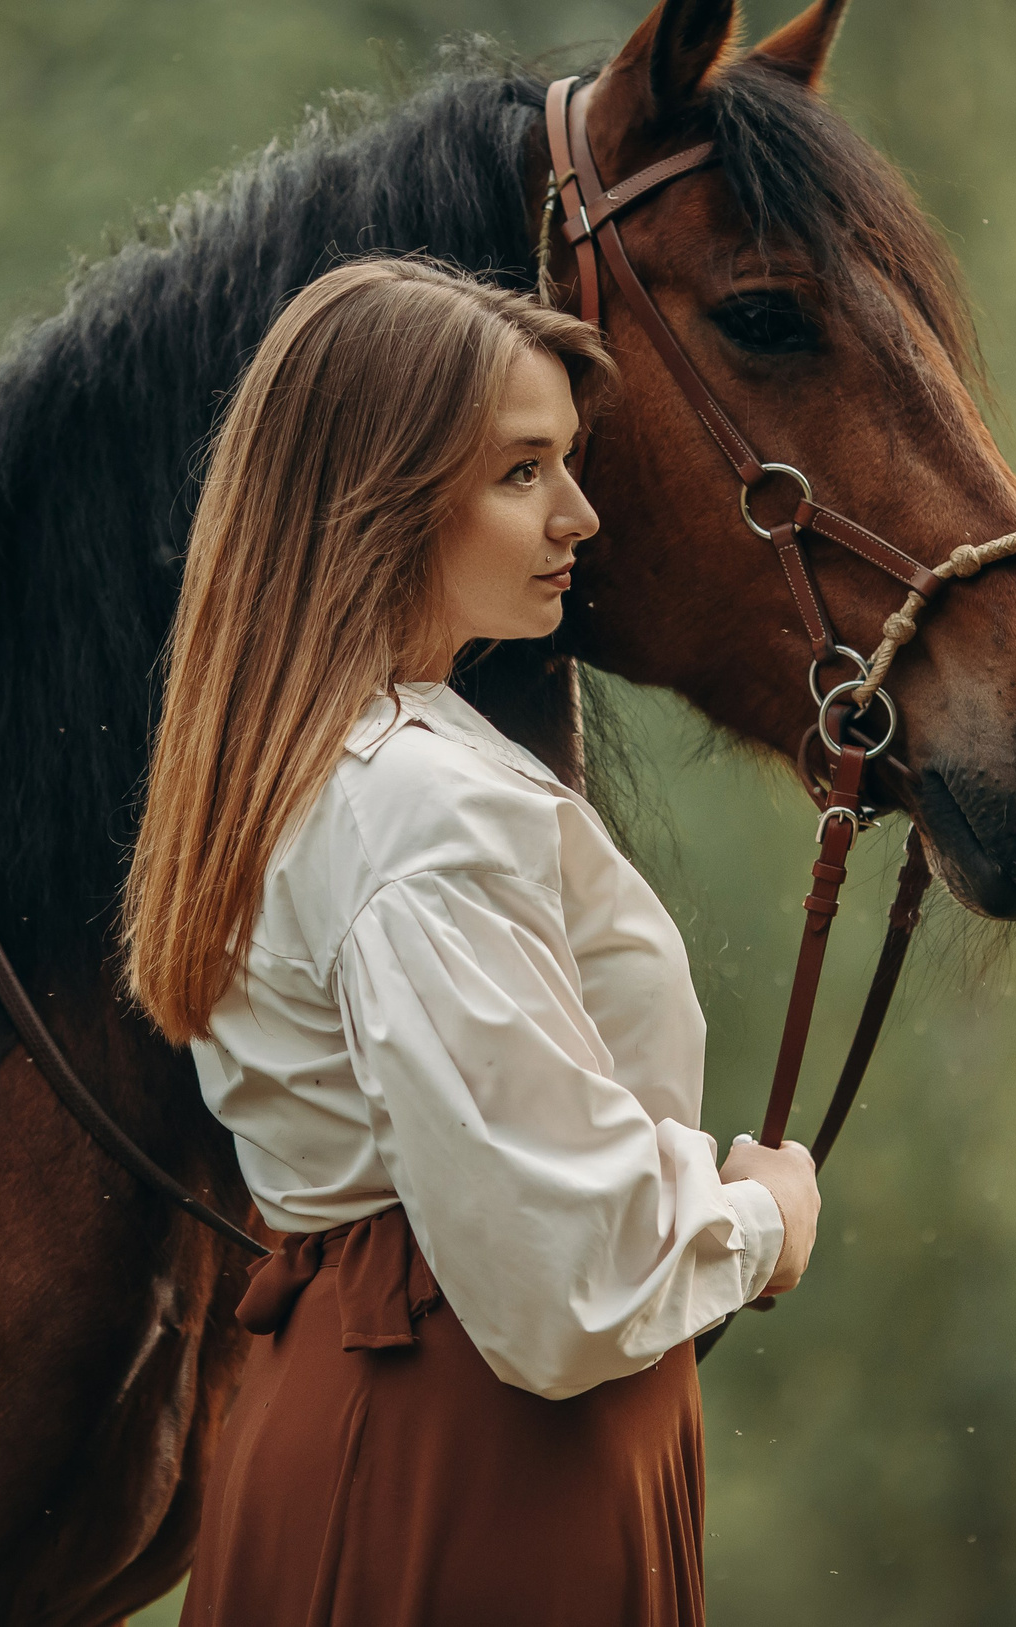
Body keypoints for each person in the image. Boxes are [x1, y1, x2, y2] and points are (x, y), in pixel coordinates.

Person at [122, 257, 820, 1626]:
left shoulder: (338, 757)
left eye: (567, 462)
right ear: (376, 498)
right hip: (470, 1457)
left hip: (404, 1416)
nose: (580, 514)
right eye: (521, 472)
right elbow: (560, 1262)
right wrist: (761, 1225)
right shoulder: (414, 804)